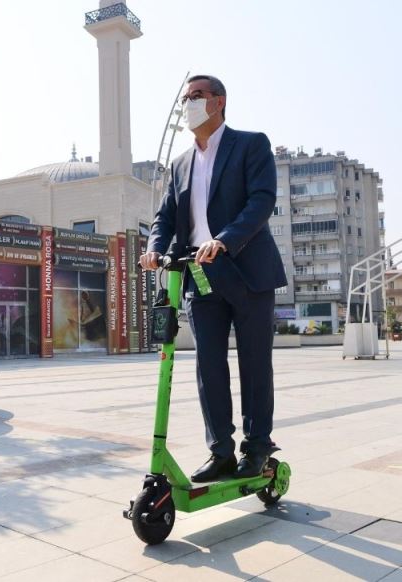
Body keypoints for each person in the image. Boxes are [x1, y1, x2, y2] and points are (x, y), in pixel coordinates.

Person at [140, 74, 287, 482]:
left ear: (218, 102)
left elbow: (261, 201)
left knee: (254, 363)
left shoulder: (251, 144)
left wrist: (225, 240)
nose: (188, 104)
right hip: (199, 275)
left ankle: (256, 447)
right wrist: (154, 247)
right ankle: (220, 450)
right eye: (185, 98)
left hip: (247, 270)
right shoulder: (180, 164)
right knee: (208, 366)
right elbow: (165, 217)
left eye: (197, 96)